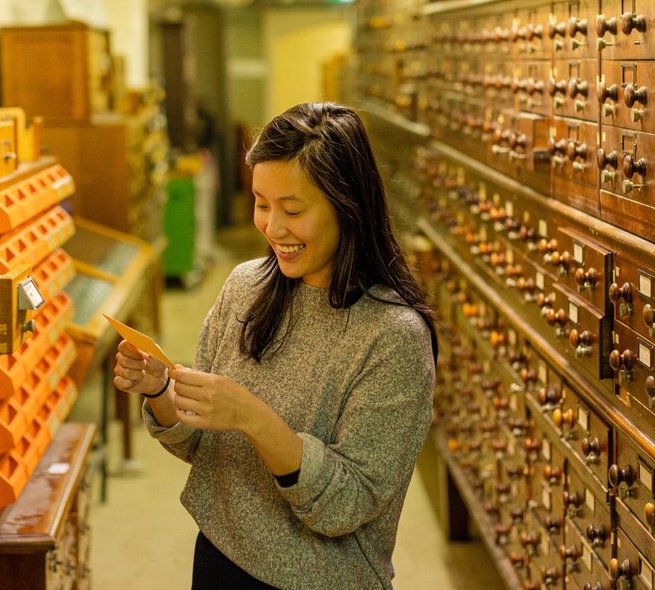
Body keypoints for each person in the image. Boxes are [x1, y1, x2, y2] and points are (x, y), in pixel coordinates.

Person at [113, 102, 437, 590]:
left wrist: (254, 419)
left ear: (348, 205)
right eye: (262, 204)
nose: (272, 227)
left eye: (293, 209)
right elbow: (204, 447)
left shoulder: (393, 337)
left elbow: (348, 504)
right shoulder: (246, 287)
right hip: (219, 557)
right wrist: (163, 390)